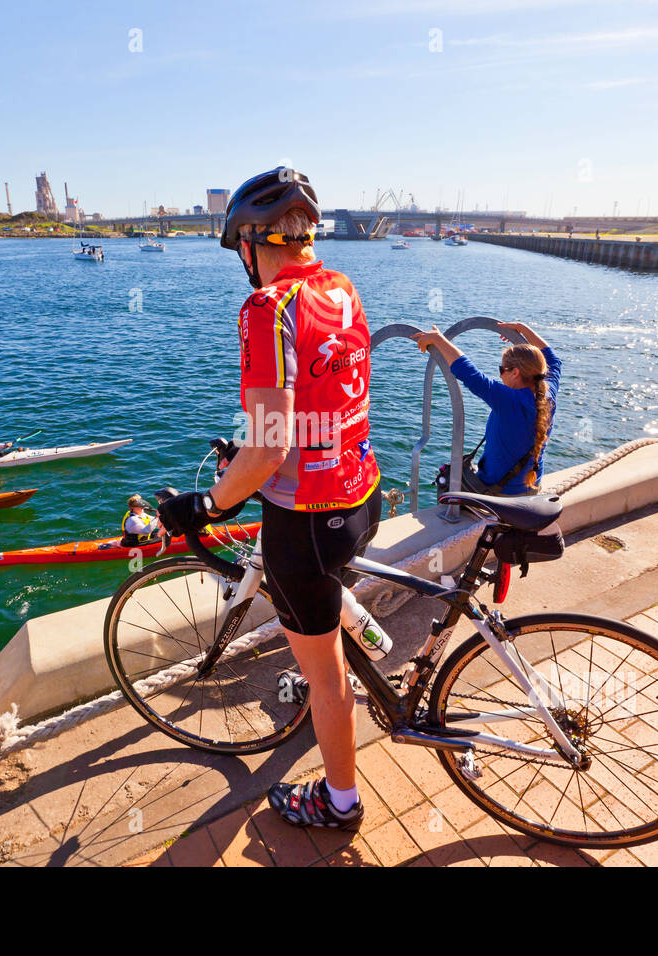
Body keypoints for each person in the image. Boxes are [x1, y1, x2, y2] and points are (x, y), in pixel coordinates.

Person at [157, 167, 381, 832]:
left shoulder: (266, 308)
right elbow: (322, 405)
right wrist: (252, 461)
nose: (242, 266)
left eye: (239, 251)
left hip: (306, 523)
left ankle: (339, 802)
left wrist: (210, 505)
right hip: (360, 492)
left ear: (253, 242)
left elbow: (268, 450)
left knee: (327, 676)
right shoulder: (340, 287)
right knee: (326, 605)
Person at [415, 321, 561, 495]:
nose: (500, 375)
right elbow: (553, 360)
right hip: (532, 488)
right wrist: (523, 329)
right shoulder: (548, 392)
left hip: (501, 494)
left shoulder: (509, 400)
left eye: (502, 369)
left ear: (515, 373)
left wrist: (439, 340)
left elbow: (470, 374)